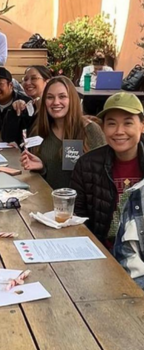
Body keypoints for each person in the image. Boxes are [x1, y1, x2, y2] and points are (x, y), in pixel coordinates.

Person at [71, 93, 144, 251]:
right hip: (101, 253)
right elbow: (78, 216)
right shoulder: (87, 165)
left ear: (142, 126)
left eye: (128, 123)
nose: (119, 131)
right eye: (111, 124)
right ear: (103, 128)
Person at [20, 76, 106, 189]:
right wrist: (42, 168)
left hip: (81, 198)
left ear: (72, 99)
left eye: (62, 96)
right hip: (48, 197)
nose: (56, 102)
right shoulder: (39, 131)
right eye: (50, 97)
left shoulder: (90, 130)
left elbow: (104, 174)